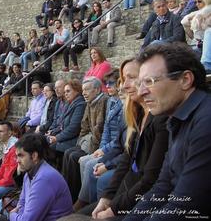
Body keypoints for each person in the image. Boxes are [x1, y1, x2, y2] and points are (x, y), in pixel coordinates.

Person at [123, 43, 211, 220]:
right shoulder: (176, 118)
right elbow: (162, 186)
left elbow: (185, 204)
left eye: (150, 81)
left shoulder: (206, 120)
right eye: (141, 83)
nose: (141, 91)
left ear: (185, 80)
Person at [79, 59, 169, 219]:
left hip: (143, 198)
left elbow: (150, 179)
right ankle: (82, 200)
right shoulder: (137, 115)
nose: (124, 86)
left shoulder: (160, 118)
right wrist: (107, 198)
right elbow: (126, 159)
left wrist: (113, 208)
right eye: (122, 79)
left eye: (131, 78)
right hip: (129, 186)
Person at [73, 70, 123, 210]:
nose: (108, 86)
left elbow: (116, 136)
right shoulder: (112, 101)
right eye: (107, 84)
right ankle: (86, 199)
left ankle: (86, 202)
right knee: (82, 160)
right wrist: (101, 149)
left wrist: (104, 150)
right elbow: (106, 130)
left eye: (112, 83)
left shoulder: (115, 102)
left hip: (116, 149)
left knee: (88, 164)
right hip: (109, 146)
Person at [61, 77, 109, 202]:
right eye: (83, 90)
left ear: (97, 90)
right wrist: (81, 141)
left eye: (87, 90)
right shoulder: (89, 103)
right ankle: (66, 193)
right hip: (89, 141)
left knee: (73, 156)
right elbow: (84, 125)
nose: (84, 93)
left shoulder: (104, 101)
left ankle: (75, 196)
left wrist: (88, 143)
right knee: (69, 152)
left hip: (98, 144)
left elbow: (99, 128)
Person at [10, 133, 73, 220]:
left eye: (21, 156)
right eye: (16, 156)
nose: (17, 161)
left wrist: (12, 215)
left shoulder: (45, 178)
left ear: (34, 156)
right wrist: (20, 216)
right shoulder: (29, 173)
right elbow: (22, 202)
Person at [45, 79, 86, 170]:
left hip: (74, 139)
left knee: (49, 146)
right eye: (65, 92)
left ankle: (55, 174)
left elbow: (73, 128)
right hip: (65, 136)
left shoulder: (80, 104)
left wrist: (57, 137)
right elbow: (60, 123)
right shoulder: (70, 103)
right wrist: (52, 132)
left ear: (77, 90)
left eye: (68, 91)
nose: (66, 94)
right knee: (43, 141)